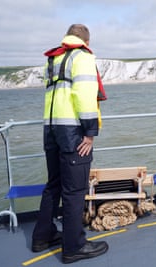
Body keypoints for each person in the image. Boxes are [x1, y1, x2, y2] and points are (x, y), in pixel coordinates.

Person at [31, 24, 108, 264]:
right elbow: (84, 96)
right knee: (74, 192)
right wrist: (90, 132)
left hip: (51, 131)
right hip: (73, 133)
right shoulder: (82, 56)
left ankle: (42, 237)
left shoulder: (53, 60)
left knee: (53, 185)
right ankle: (74, 247)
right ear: (86, 40)